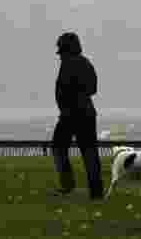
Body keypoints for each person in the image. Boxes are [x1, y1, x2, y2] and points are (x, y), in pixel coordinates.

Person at [51, 32, 104, 200]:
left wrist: (68, 101)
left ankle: (67, 185)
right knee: (90, 153)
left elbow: (63, 89)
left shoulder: (67, 64)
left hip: (70, 115)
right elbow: (93, 88)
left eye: (61, 49)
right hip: (87, 113)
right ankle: (96, 192)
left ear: (65, 49)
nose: (59, 55)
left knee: (58, 148)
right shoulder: (85, 63)